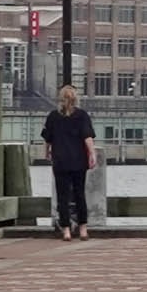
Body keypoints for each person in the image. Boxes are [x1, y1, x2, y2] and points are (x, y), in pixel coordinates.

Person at [44, 84, 98, 242]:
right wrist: (92, 153)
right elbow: (87, 137)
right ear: (75, 99)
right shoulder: (82, 115)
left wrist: (47, 152)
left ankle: (66, 230)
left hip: (60, 160)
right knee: (79, 194)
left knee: (63, 196)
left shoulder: (53, 116)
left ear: (60, 99)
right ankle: (83, 229)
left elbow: (48, 138)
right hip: (78, 160)